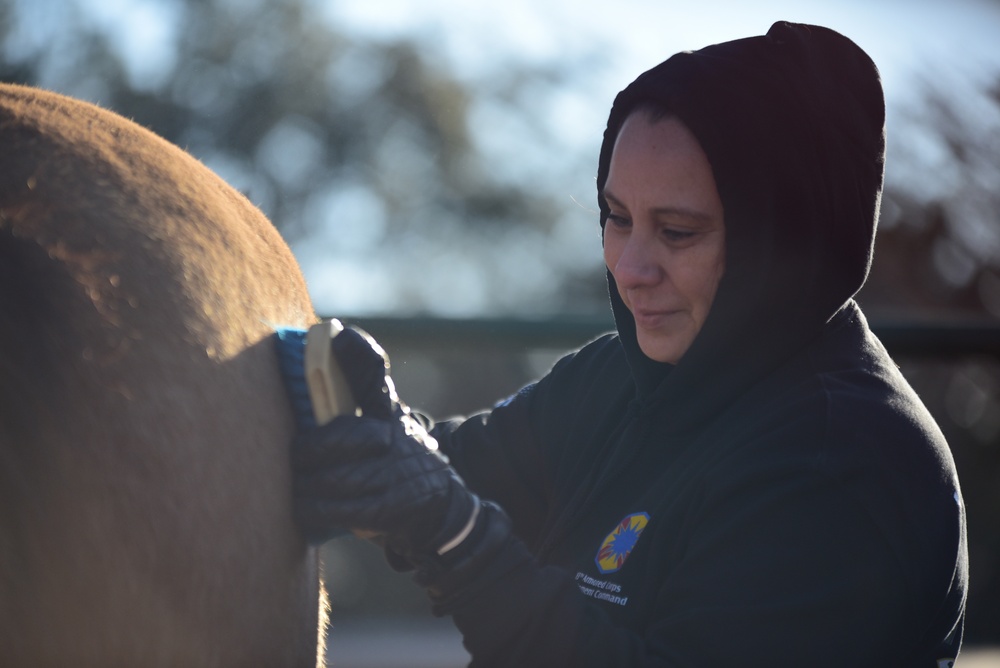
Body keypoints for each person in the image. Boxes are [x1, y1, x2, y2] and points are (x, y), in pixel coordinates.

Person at [291, 21, 968, 666]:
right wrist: (369, 428)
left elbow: (454, 521)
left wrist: (457, 538)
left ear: (782, 242)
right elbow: (460, 473)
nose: (630, 268)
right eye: (616, 218)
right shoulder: (629, 373)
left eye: (677, 231)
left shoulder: (844, 462)